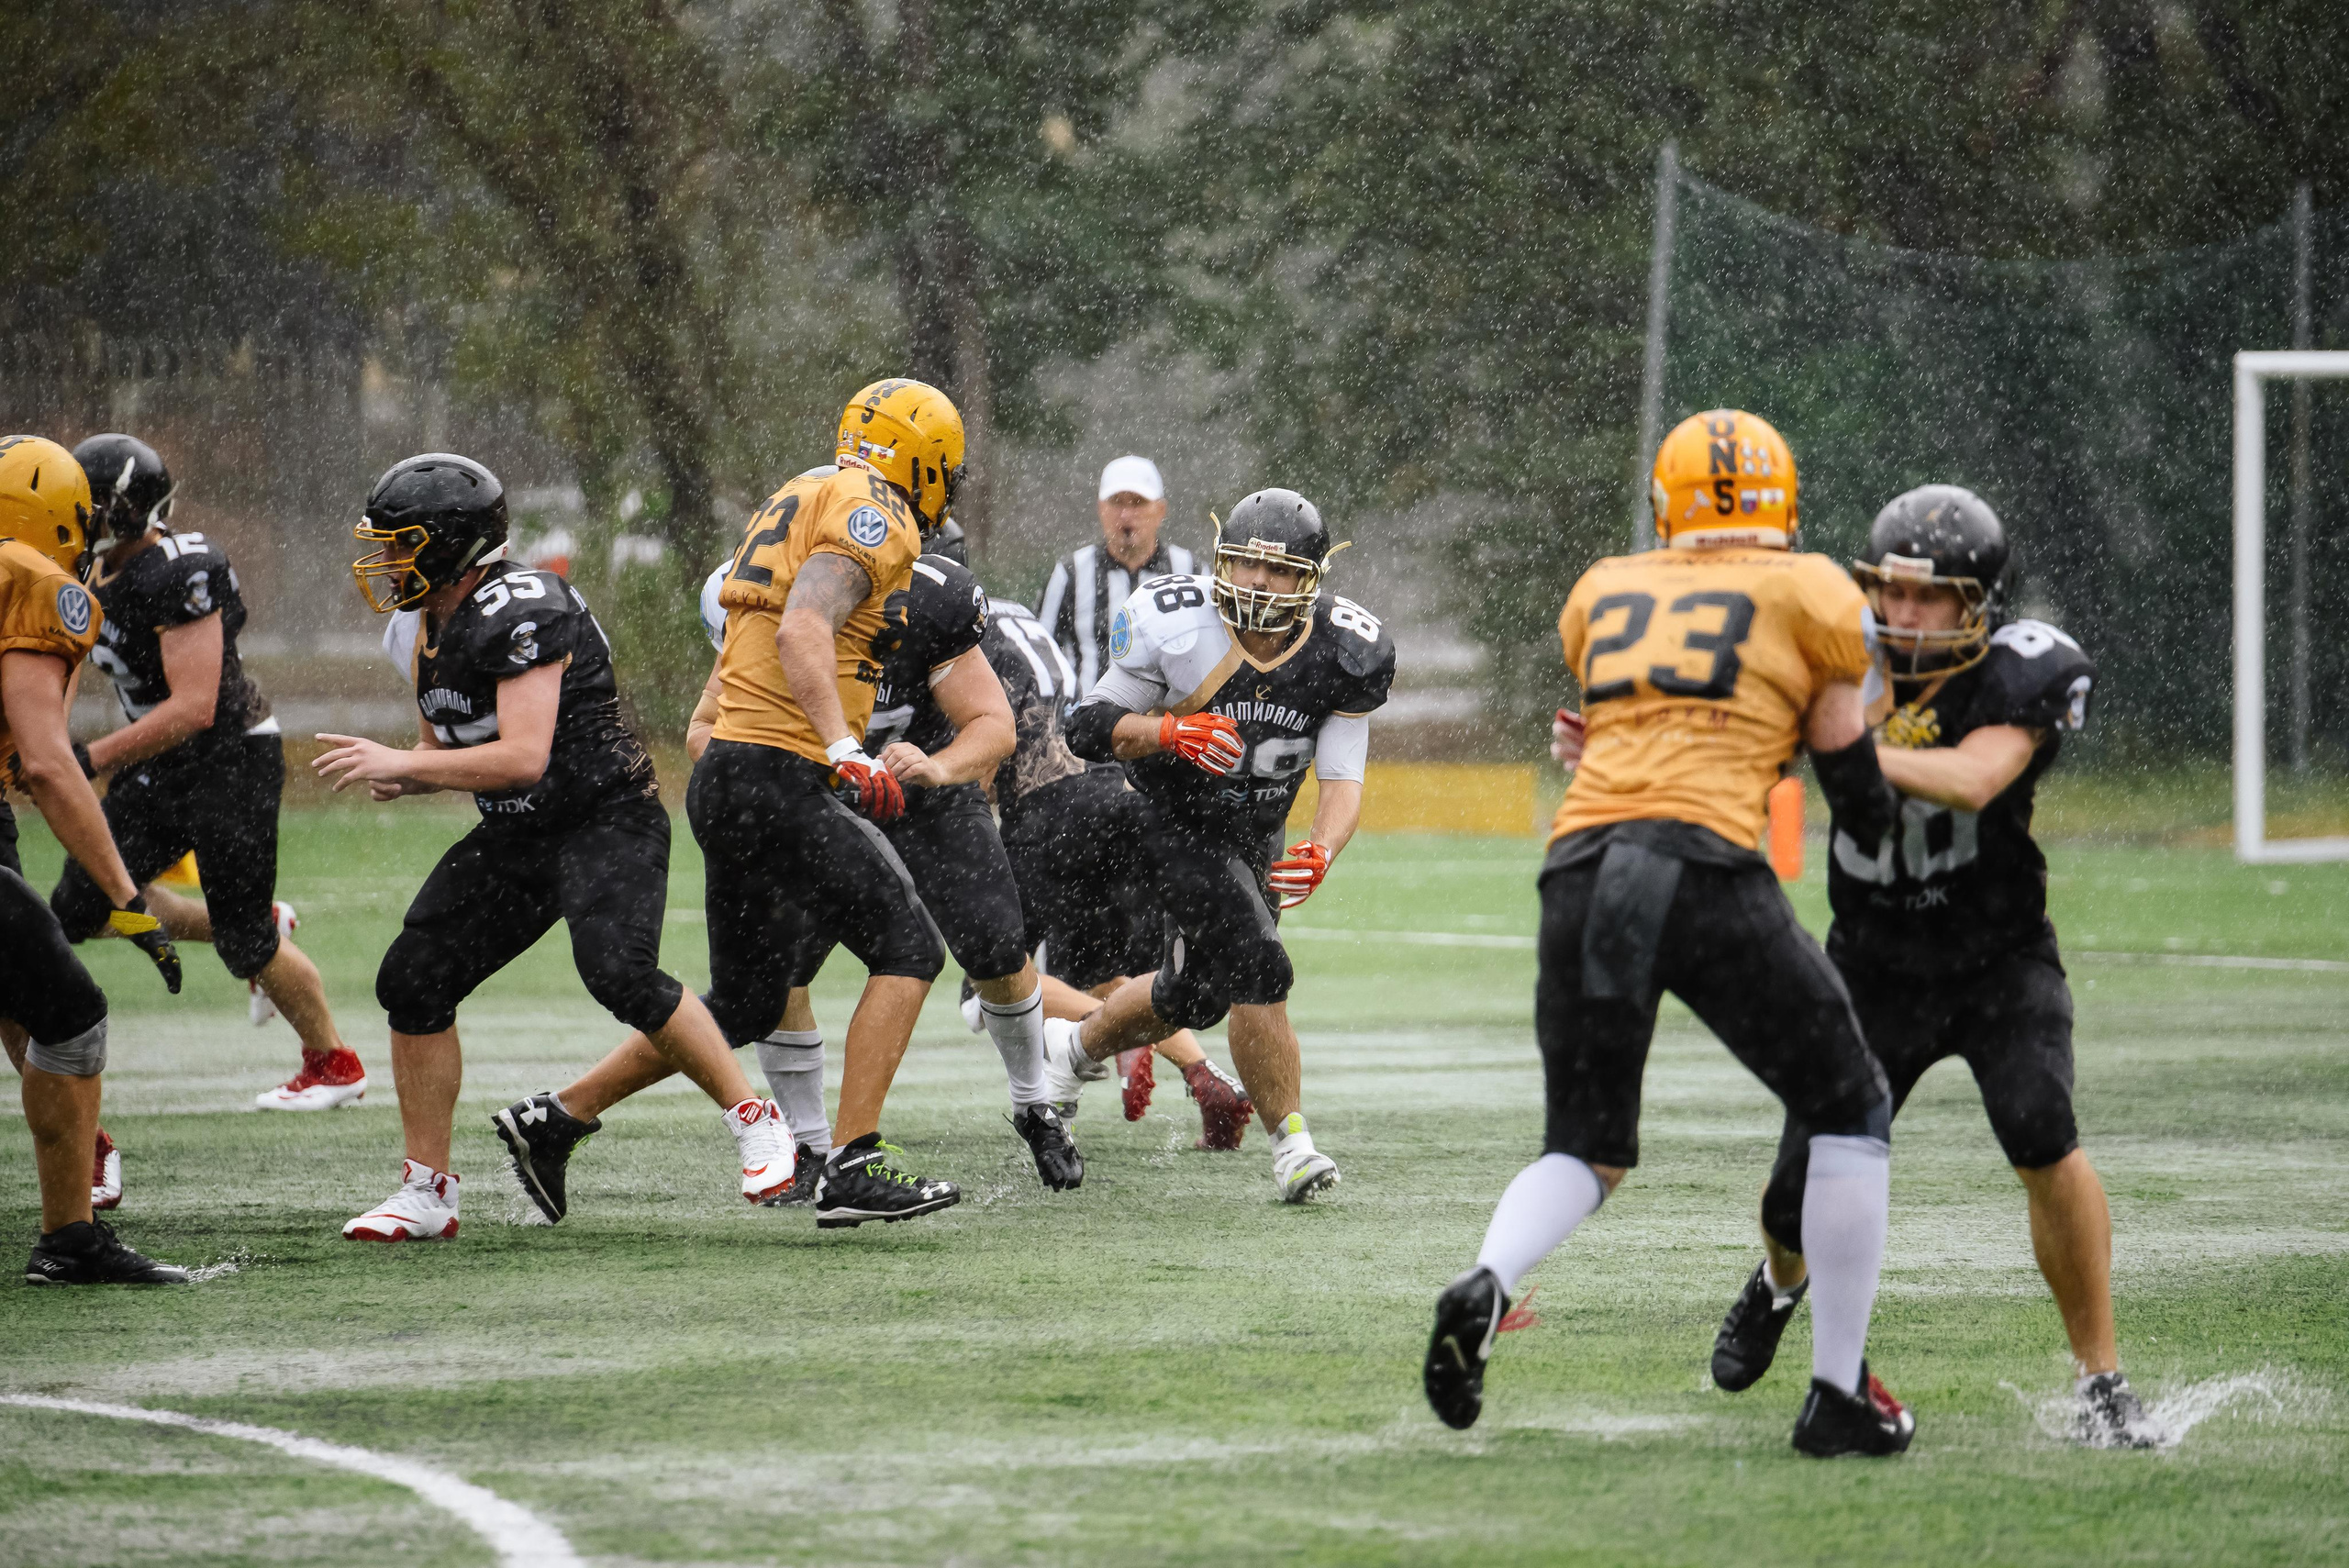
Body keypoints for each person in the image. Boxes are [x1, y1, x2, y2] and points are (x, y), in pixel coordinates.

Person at [1420, 410, 1914, 1458]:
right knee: (1850, 1103)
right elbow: (1857, 798)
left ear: (1665, 501)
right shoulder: (1815, 589)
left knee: (1586, 1146)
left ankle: (1488, 1279)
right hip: (1702, 865)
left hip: (1582, 862)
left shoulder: (1607, 588)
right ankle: (1836, 1391)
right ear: (1780, 498)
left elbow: (1625, 730)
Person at [1708, 485, 2152, 1447]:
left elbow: (1972, 775)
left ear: (1978, 604)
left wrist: (1833, 735)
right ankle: (1780, 1284)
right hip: (1872, 965)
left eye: (1930, 597)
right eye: (1888, 593)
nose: (1902, 615)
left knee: (2041, 1129)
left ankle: (2102, 1379)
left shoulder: (2018, 671)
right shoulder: (1832, 654)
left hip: (1998, 957)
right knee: (1793, 1193)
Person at [499, 381, 965, 1232]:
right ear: (923, 460)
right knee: (909, 946)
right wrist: (843, 746)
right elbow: (800, 628)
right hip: (779, 769)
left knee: (748, 1000)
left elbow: (743, 653)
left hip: (729, 773)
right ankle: (856, 1161)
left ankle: (557, 1117)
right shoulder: (876, 510)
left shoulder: (803, 488)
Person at [513, 525, 1082, 1211]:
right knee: (758, 995)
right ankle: (816, 1148)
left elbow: (993, 724)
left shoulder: (931, 599)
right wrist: (774, 772)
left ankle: (1033, 1105)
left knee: (994, 941)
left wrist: (938, 766)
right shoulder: (790, 600)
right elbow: (705, 728)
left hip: (924, 787)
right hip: (816, 797)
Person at [317, 451, 787, 1243]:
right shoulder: (419, 624)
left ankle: (755, 1116)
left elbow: (523, 754)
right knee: (413, 976)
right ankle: (427, 1190)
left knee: (619, 971)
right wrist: (411, 773)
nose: (387, 561)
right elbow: (448, 748)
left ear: (451, 545)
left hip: (606, 815)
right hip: (522, 830)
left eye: (401, 543)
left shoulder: (525, 604)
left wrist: (405, 761)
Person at [1053, 487, 1393, 1201]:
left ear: (1311, 579)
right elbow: (1086, 725)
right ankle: (1293, 1146)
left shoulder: (1346, 650)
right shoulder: (1176, 623)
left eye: (1278, 571)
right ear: (1219, 563)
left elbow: (1341, 778)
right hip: (1169, 819)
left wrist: (1323, 847)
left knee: (1192, 995)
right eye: (1245, 567)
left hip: (1257, 830)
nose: (1258, 584)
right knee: (1260, 963)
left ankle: (1073, 1048)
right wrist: (1170, 732)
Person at [50, 433, 366, 1112]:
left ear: (132, 508)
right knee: (82, 906)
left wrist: (87, 759)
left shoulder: (181, 568)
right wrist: (49, 739)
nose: (84, 516)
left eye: (95, 505)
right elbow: (70, 657)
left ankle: (334, 1062)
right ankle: (255, 920)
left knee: (245, 940)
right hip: (157, 765)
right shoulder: (83, 569)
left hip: (228, 757)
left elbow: (194, 707)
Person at [970, 549, 1256, 1151]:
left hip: (1045, 810)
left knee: (989, 982)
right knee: (1108, 973)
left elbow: (987, 735)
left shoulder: (941, 624)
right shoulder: (1015, 616)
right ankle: (1206, 1076)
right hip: (1115, 787)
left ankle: (1125, 1041)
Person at [0, 433, 189, 1284]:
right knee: (72, 1015)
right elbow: (44, 762)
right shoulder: (40, 583)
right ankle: (71, 1239)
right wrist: (124, 891)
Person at [1038, 455, 1197, 695]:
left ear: (1160, 510)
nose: (1125, 515)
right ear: (1100, 508)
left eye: (1138, 502)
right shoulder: (1070, 574)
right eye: (1116, 502)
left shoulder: (1191, 572)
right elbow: (1041, 656)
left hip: (1168, 727)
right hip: (1086, 725)